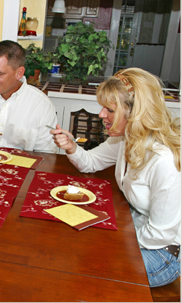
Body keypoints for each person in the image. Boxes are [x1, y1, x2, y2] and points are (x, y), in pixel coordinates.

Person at [50, 68, 180, 287]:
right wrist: (71, 146)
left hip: (161, 254)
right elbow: (91, 163)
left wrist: (112, 241)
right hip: (136, 229)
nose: (101, 114)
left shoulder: (165, 160)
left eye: (109, 109)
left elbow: (160, 235)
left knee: (84, 272)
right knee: (70, 245)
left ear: (135, 112)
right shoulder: (126, 138)